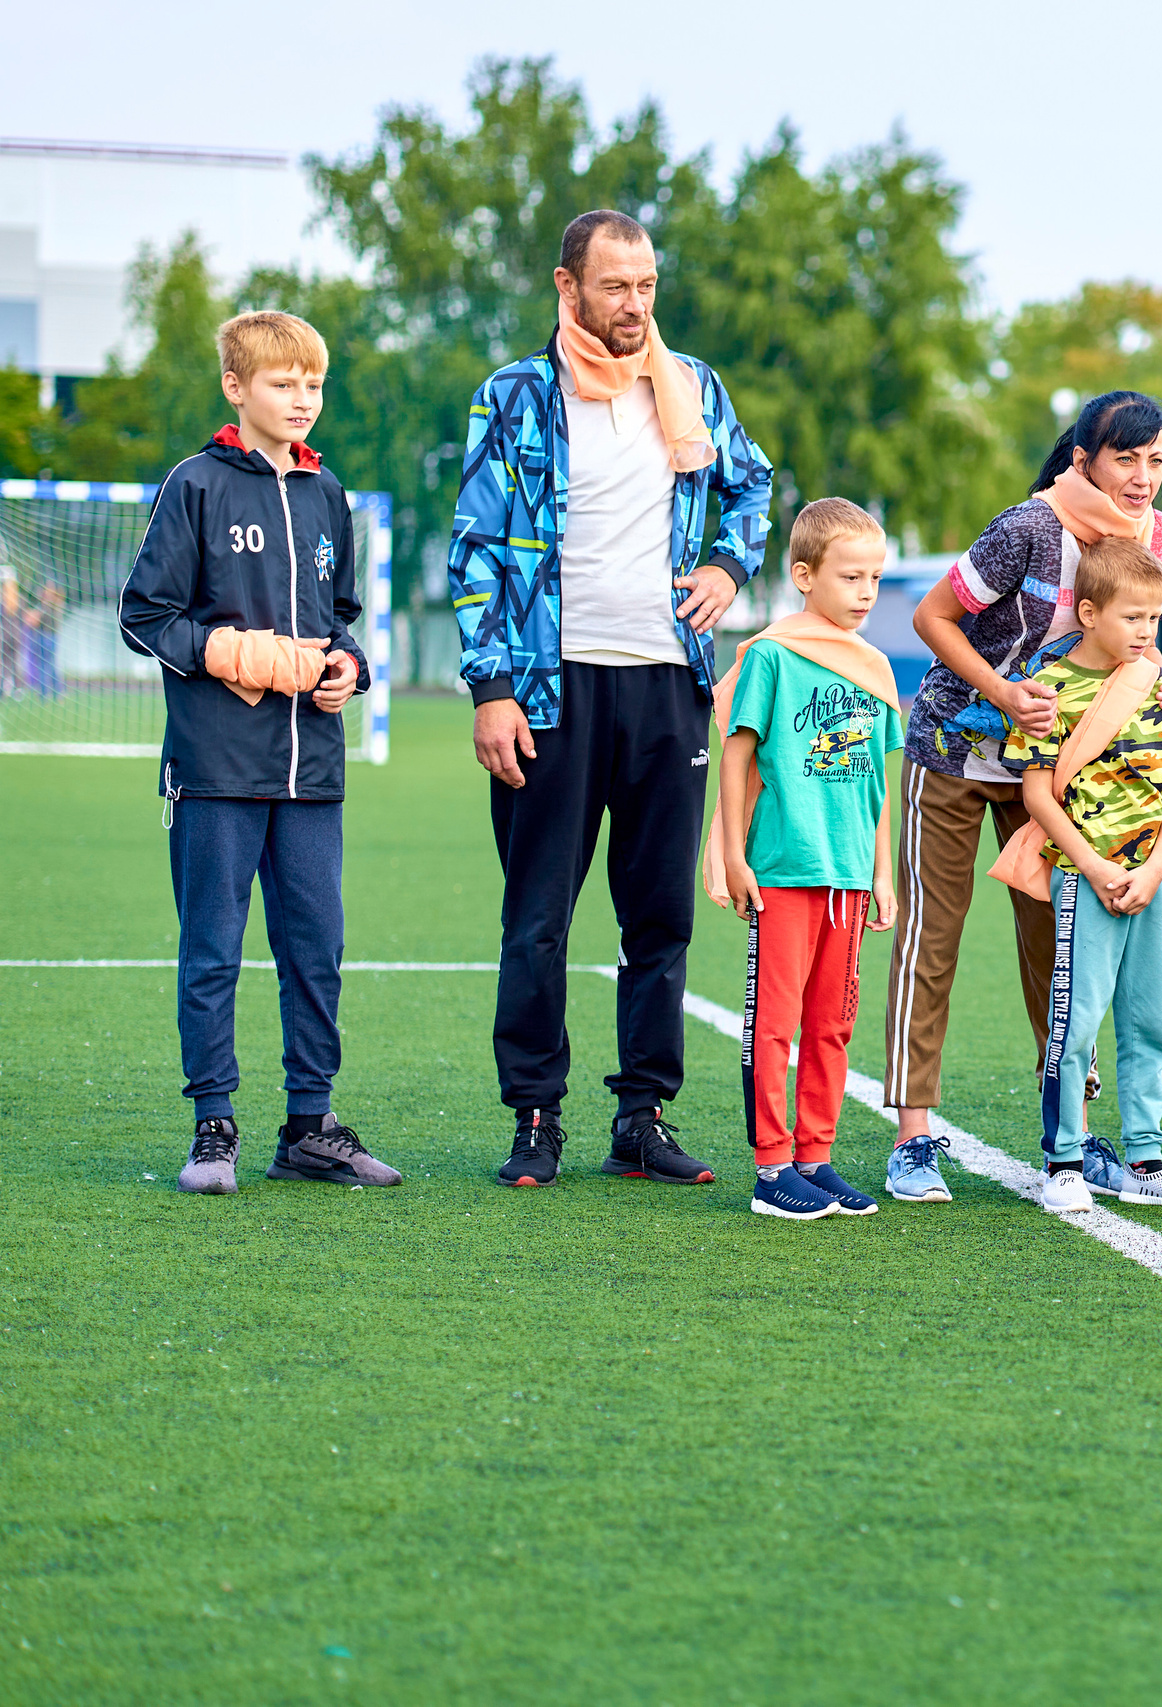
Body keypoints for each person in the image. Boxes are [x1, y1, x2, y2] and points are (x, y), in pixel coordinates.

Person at [450, 209, 774, 1190]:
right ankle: (535, 1116)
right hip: (550, 693)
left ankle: (643, 1116)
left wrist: (728, 563)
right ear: (568, 288)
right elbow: (473, 545)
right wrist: (492, 688)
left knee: (659, 915)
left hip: (668, 683)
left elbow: (751, 486)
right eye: (614, 286)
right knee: (538, 916)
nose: (633, 305)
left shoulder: (693, 390)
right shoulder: (514, 397)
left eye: (645, 287)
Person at [883, 392, 1162, 1204]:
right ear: (1082, 459)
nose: (1141, 477)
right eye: (1125, 458)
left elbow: (1139, 650)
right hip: (957, 751)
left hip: (1060, 774)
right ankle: (913, 1139)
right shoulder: (1026, 528)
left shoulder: (1159, 538)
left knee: (1062, 950)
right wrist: (1003, 689)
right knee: (933, 938)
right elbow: (932, 614)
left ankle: (1072, 1136)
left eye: (1155, 459)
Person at [119, 309, 400, 1194]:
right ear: (238, 389)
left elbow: (341, 620)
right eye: (283, 383)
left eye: (314, 383)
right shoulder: (195, 484)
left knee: (317, 947)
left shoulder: (328, 495)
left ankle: (310, 1126)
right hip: (215, 769)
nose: (302, 398)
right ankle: (214, 1126)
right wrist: (240, 653)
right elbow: (145, 614)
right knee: (213, 947)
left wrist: (344, 669)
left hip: (312, 771)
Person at [998, 535, 1162, 1213]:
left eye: (1155, 618)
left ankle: (1146, 1158)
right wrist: (1091, 866)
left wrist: (1154, 867)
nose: (1145, 631)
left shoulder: (1161, 684)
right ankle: (1064, 1160)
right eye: (1132, 617)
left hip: (1152, 878)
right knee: (1077, 1020)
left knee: (1150, 1018)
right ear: (1088, 613)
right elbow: (1035, 793)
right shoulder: (1049, 688)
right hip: (1083, 877)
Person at [704, 499, 902, 1221]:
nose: (865, 593)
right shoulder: (771, 655)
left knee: (831, 1024)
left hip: (849, 879)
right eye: (851, 577)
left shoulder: (875, 669)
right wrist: (731, 852)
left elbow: (880, 780)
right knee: (775, 1024)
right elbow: (736, 755)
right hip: (784, 871)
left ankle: (815, 1159)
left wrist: (883, 872)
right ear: (803, 575)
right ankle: (771, 1168)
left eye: (875, 578)